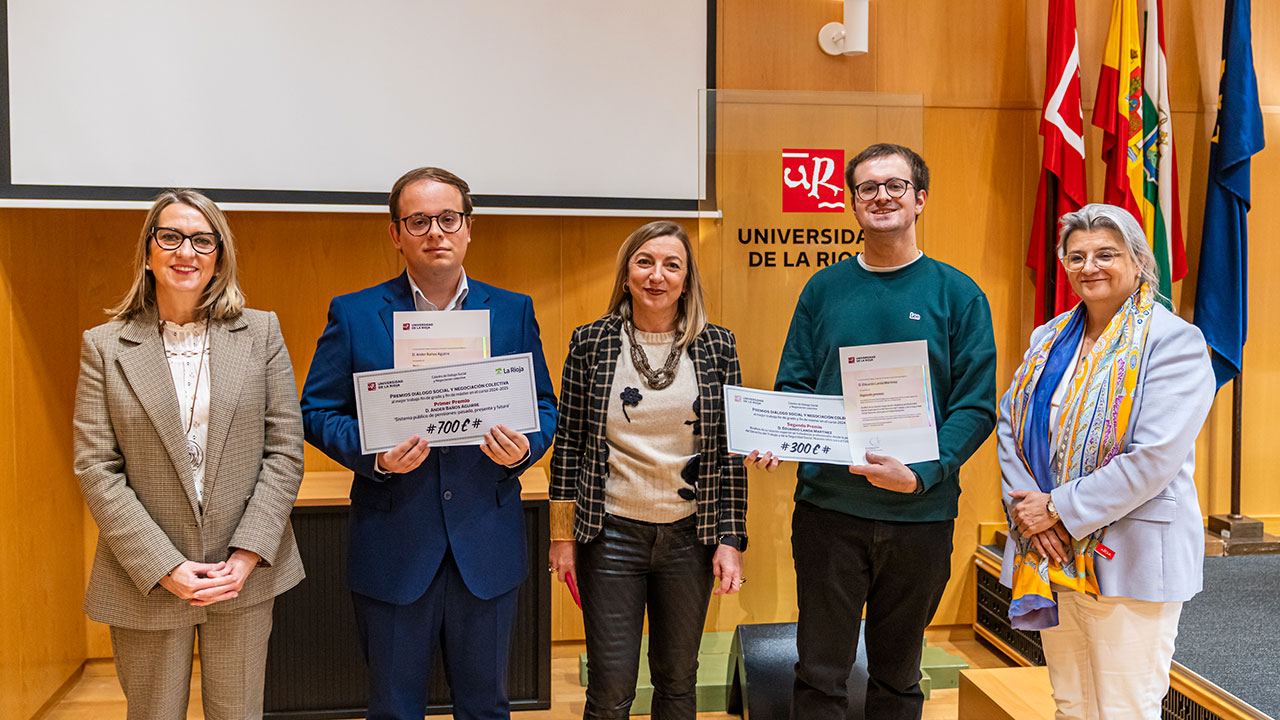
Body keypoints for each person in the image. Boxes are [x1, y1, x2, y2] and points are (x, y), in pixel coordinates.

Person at [745, 143, 997, 720]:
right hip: (830, 511)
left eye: (895, 185)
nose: (881, 196)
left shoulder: (958, 294)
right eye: (867, 188)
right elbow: (795, 387)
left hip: (921, 515)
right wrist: (779, 434)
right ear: (852, 204)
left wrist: (922, 476)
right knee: (820, 674)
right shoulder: (823, 289)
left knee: (899, 677)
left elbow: (976, 406)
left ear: (919, 199)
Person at [300, 167, 558, 720]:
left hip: (485, 545)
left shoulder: (512, 311)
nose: (435, 232)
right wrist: (375, 453)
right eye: (419, 221)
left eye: (448, 219)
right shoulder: (353, 314)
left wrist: (525, 449)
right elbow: (317, 412)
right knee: (393, 709)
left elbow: (543, 407)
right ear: (396, 233)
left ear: (469, 228)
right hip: (394, 542)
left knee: (487, 707)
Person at [73, 189, 305, 719]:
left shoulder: (261, 332)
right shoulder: (104, 346)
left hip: (241, 575)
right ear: (149, 253)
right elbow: (96, 468)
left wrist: (246, 556)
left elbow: (285, 451)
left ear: (219, 256)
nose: (186, 252)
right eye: (171, 237)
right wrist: (165, 566)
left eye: (203, 240)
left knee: (239, 713)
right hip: (147, 578)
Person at [998, 203, 1214, 719]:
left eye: (1106, 254)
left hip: (1130, 554)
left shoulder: (1175, 343)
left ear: (1138, 261)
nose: (1089, 266)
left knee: (1123, 709)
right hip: (1049, 553)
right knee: (1071, 704)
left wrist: (1056, 509)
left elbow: (1154, 457)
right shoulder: (1048, 339)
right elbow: (1011, 428)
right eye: (1076, 256)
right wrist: (1032, 512)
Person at [548, 220, 747, 719]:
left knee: (678, 681)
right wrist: (561, 535)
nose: (657, 275)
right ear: (626, 274)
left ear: (687, 279)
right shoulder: (591, 342)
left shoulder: (718, 346)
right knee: (610, 687)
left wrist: (731, 540)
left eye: (671, 265)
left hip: (690, 538)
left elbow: (730, 454)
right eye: (645, 262)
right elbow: (569, 442)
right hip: (610, 533)